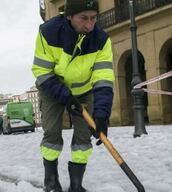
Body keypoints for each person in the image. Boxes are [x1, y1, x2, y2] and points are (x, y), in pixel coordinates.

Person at [32, 0, 114, 191]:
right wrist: (66, 97)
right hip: (52, 88)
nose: (89, 25)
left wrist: (102, 115)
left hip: (84, 91)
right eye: (83, 18)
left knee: (84, 136)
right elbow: (42, 71)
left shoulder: (101, 40)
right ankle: (51, 180)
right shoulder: (49, 32)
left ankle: (76, 184)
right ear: (69, 16)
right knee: (52, 132)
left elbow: (103, 80)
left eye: (94, 18)